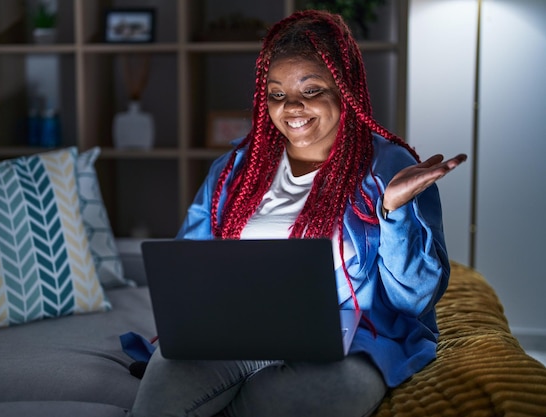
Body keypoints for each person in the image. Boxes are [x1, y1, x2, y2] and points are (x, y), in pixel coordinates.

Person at [130, 9, 467, 417]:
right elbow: (189, 263)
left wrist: (393, 211)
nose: (291, 107)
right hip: (235, 328)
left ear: (344, 90)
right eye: (276, 94)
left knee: (307, 398)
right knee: (166, 383)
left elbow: (414, 300)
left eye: (311, 90)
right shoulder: (237, 168)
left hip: (351, 335)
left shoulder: (391, 168)